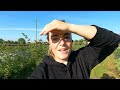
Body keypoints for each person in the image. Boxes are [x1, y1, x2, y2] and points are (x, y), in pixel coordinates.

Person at [29, 19, 120, 79]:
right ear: (49, 43)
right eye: (55, 38)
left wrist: (70, 27)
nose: (62, 43)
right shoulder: (42, 72)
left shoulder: (81, 59)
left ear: (71, 40)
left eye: (66, 36)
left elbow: (112, 40)